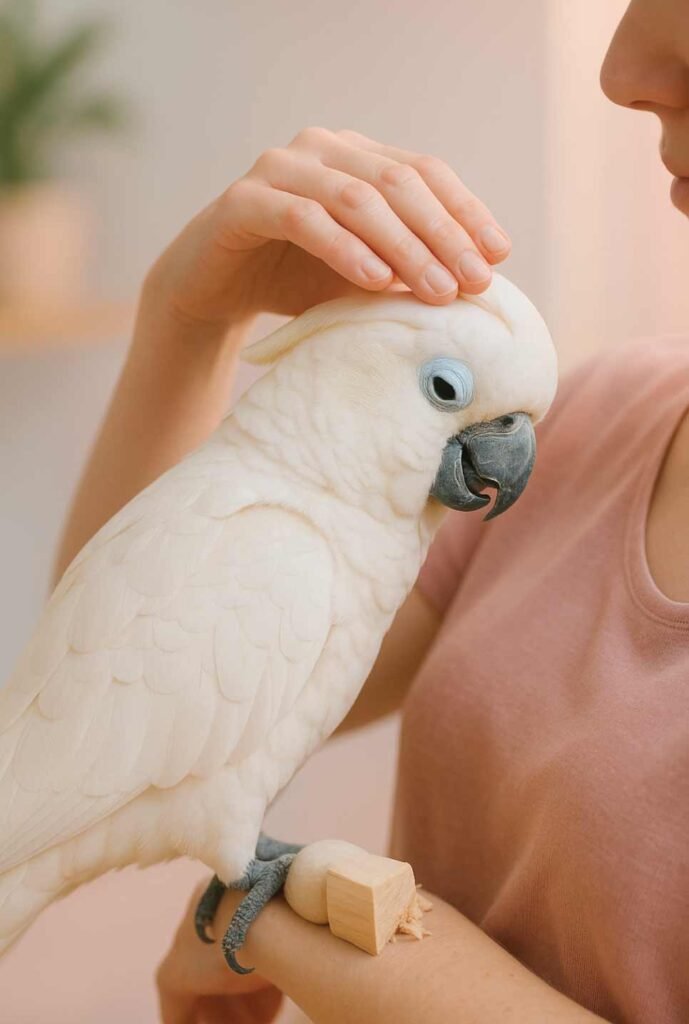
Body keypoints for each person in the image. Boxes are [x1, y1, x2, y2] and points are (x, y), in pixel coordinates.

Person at [52, 1, 689, 1021]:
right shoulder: (582, 427)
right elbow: (125, 686)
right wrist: (187, 320)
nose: (621, 64)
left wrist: (289, 930)